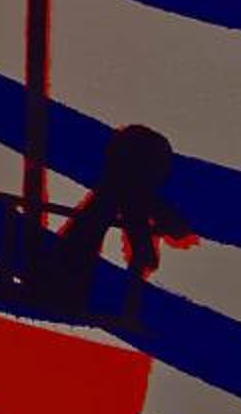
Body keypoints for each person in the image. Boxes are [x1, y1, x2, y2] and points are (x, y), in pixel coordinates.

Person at [27, 123, 189, 320]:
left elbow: (147, 225)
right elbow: (143, 234)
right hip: (63, 285)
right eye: (159, 168)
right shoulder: (126, 196)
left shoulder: (123, 195)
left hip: (63, 282)